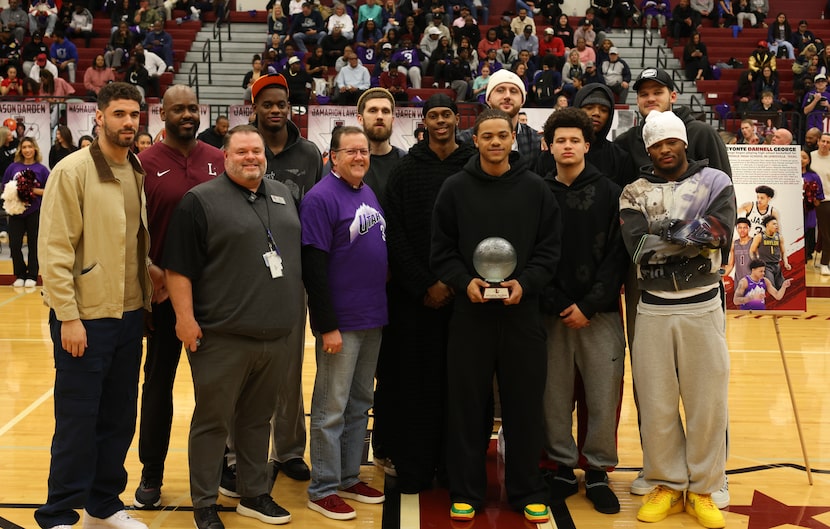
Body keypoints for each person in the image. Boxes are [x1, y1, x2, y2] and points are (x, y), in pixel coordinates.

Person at [162, 125, 300, 529]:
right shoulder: (199, 201)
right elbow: (178, 268)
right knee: (213, 422)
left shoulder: (283, 194)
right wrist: (185, 321)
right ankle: (204, 503)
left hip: (275, 336)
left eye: (256, 151)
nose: (251, 157)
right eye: (242, 152)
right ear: (225, 157)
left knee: (257, 421)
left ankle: (254, 493)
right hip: (221, 337)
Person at [431, 108, 560, 524]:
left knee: (524, 406)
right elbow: (442, 250)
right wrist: (461, 280)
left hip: (522, 316)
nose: (495, 143)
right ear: (475, 140)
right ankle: (466, 489)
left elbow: (549, 250)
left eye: (502, 135)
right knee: (467, 406)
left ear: (512, 137)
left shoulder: (536, 189)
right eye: (486, 136)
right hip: (470, 315)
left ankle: (526, 489)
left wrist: (527, 283)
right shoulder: (454, 189)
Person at [34, 82, 152, 529]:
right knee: (77, 420)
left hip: (130, 314)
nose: (128, 122)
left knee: (119, 417)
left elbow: (127, 241)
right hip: (84, 318)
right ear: (99, 117)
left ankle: (104, 503)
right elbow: (55, 250)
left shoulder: (134, 168)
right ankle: (58, 511)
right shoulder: (73, 170)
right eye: (119, 114)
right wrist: (68, 315)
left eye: (134, 115)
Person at [620, 109, 735, 529]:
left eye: (671, 141)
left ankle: (703, 487)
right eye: (656, 144)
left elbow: (721, 232)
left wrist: (663, 230)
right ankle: (667, 483)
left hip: (703, 304)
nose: (664, 149)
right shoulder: (634, 190)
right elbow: (635, 247)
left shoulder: (716, 182)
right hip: (651, 306)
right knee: (656, 403)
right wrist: (690, 233)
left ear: (684, 142)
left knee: (707, 403)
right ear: (648, 148)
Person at [132, 85, 225, 511]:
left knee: (219, 389)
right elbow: (130, 229)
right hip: (163, 298)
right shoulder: (143, 164)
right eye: (179, 109)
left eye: (193, 108)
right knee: (157, 389)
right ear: (162, 114)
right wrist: (149, 271)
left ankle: (222, 463)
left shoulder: (217, 159)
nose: (187, 114)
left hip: (215, 297)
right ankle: (152, 471)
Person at [378, 93, 477, 491]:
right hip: (414, 299)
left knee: (459, 386)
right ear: (424, 122)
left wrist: (453, 281)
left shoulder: (471, 165)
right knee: (414, 384)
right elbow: (395, 233)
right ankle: (415, 467)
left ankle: (455, 469)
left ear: (456, 119)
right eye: (433, 115)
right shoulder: (406, 169)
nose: (440, 121)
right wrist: (423, 285)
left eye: (446, 115)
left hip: (463, 297)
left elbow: (477, 229)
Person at [538, 107, 627, 515]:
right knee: (554, 393)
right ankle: (561, 466)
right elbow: (534, 253)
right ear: (549, 145)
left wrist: (589, 304)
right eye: (561, 140)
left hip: (601, 311)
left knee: (603, 394)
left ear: (587, 145)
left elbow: (618, 254)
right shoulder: (537, 191)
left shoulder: (612, 192)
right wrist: (559, 302)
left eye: (575, 140)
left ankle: (596, 471)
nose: (568, 146)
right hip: (551, 311)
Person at [300, 126, 388, 520]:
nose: (359, 157)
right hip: (342, 321)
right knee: (330, 407)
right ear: (332, 157)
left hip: (373, 316)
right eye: (350, 151)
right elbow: (314, 268)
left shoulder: (366, 192)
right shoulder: (320, 198)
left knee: (359, 402)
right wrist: (327, 324)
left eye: (364, 151)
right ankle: (323, 487)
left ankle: (349, 475)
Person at [458, 69, 541, 169]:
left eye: (513, 91)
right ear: (488, 99)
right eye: (500, 90)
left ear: (522, 100)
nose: (507, 96)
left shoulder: (537, 141)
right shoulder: (464, 140)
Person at [1, 136, 49, 287]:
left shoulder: (41, 169)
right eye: (24, 147)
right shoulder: (13, 167)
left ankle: (33, 275)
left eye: (30, 147)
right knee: (14, 245)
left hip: (34, 211)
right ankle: (20, 274)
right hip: (15, 212)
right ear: (20, 150)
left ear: (35, 149)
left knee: (34, 244)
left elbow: (49, 190)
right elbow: (4, 186)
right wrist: (14, 192)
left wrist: (32, 190)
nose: (27, 150)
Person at [750, 216, 790, 289]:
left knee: (782, 287)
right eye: (774, 224)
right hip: (766, 265)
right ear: (767, 225)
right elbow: (752, 251)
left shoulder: (779, 237)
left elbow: (783, 252)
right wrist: (756, 263)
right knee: (771, 286)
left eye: (777, 224)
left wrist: (786, 263)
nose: (776, 226)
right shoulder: (759, 236)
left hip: (777, 265)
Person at [812, 133, 830, 276]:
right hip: (809, 199)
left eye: (828, 142)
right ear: (818, 142)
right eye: (823, 141)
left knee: (825, 233)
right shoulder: (810, 156)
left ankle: (825, 263)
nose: (825, 144)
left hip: (827, 200)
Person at [802, 149, 824, 263]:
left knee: (807, 232)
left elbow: (820, 195)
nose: (801, 160)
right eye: (799, 157)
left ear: (809, 160)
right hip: (792, 210)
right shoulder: (789, 174)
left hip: (808, 210)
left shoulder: (813, 176)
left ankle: (806, 257)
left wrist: (814, 199)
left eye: (804, 158)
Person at [724, 218, 753, 283]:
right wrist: (720, 276)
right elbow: (731, 265)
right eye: (739, 228)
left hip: (752, 280)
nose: (742, 230)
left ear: (749, 229)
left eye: (744, 228)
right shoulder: (734, 244)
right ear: (736, 229)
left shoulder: (754, 242)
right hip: (739, 281)